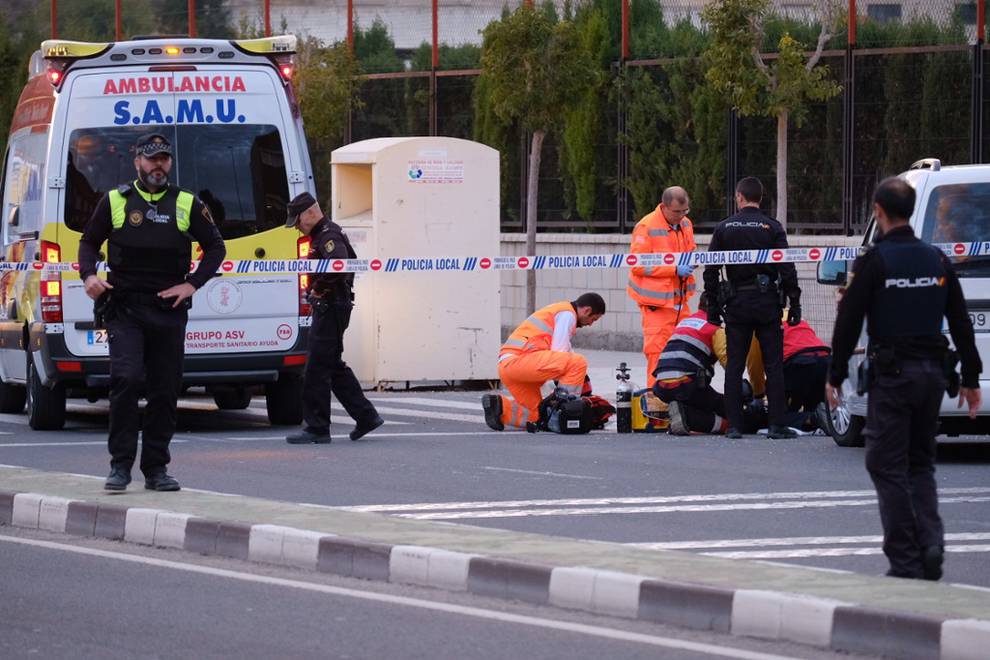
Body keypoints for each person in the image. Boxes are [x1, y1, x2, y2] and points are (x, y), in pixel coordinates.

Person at [826, 177, 982, 581]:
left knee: (885, 463)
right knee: (920, 463)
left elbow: (848, 321)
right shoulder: (937, 260)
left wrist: (835, 373)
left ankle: (905, 558)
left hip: (893, 378)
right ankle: (930, 542)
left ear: (878, 211)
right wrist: (971, 377)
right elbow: (961, 321)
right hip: (932, 375)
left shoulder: (876, 261)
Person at [80, 133, 226, 492]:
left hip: (168, 310)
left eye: (163, 159)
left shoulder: (187, 203)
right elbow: (88, 242)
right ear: (137, 163)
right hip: (125, 308)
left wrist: (192, 284)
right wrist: (88, 276)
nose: (157, 165)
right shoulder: (116, 200)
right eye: (151, 159)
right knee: (127, 380)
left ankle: (156, 469)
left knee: (164, 390)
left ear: (170, 164)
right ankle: (119, 466)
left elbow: (215, 248)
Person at [703, 177, 801, 439]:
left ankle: (735, 425)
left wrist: (711, 304)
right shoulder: (772, 227)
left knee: (735, 365)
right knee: (773, 366)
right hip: (768, 303)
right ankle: (776, 425)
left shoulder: (724, 228)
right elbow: (786, 266)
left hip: (737, 305)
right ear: (761, 197)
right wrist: (795, 301)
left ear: (739, 197)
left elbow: (711, 269)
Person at [284, 192, 384, 445]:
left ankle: (317, 428)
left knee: (316, 367)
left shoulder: (328, 235)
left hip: (331, 306)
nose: (297, 227)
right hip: (333, 306)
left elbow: (339, 263)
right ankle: (366, 416)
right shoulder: (324, 233)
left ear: (310, 213)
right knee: (331, 364)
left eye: (298, 221)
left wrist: (320, 289)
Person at [482, 293, 605, 430]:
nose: (590, 324)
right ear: (586, 310)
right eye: (593, 319)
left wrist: (579, 379)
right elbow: (561, 352)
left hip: (508, 368)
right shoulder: (567, 314)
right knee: (578, 362)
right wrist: (567, 397)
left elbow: (565, 356)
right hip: (519, 362)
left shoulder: (558, 311)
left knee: (539, 416)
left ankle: (499, 407)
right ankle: (567, 412)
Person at [627, 186, 697, 388]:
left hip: (680, 301)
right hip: (656, 305)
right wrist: (674, 269)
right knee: (658, 355)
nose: (681, 216)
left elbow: (690, 248)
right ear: (664, 207)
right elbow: (638, 264)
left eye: (685, 211)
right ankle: (655, 403)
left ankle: (680, 401)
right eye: (677, 212)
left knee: (684, 351)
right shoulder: (646, 226)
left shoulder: (685, 224)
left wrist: (693, 260)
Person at [747, 316, 831, 432]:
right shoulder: (798, 318)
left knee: (776, 418)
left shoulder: (759, 323)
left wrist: (758, 395)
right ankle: (820, 417)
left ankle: (813, 418)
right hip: (824, 360)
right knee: (813, 406)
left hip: (797, 364)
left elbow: (754, 363)